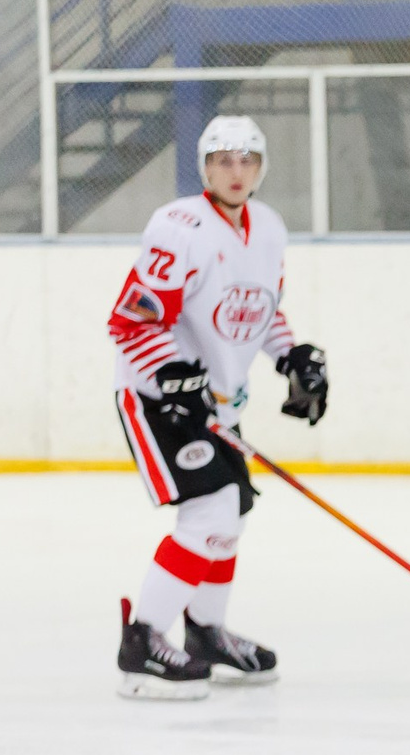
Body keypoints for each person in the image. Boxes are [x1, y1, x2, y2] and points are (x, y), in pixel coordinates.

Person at [108, 114, 330, 700]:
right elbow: (131, 320)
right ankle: (142, 644)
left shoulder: (269, 229)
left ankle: (205, 633)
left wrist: (291, 357)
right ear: (205, 168)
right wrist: (172, 373)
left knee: (230, 515)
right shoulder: (178, 226)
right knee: (208, 515)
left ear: (261, 168)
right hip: (156, 398)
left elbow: (259, 310)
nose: (236, 171)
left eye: (247, 160)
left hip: (217, 403)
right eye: (223, 160)